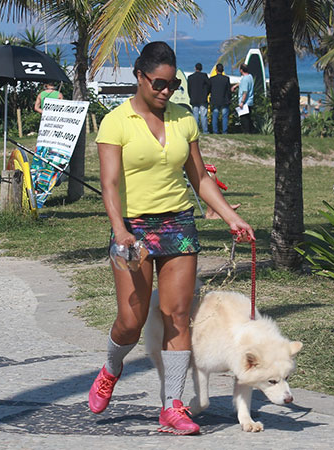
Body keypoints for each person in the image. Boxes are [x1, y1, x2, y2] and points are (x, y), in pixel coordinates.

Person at [90, 41, 255, 435]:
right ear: (140, 76)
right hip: (133, 228)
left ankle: (172, 406)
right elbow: (110, 185)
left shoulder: (184, 120)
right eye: (159, 83)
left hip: (178, 223)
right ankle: (111, 368)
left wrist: (231, 216)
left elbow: (199, 178)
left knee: (178, 316)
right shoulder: (116, 121)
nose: (166, 91)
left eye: (172, 83)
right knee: (131, 323)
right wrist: (119, 231)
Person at [187, 63, 210, 134]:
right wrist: (206, 93)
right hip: (203, 98)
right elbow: (209, 85)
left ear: (195, 68)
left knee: (195, 116)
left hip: (194, 98)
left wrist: (191, 96)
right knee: (203, 115)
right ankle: (205, 131)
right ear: (201, 68)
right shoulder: (204, 76)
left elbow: (189, 89)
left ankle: (196, 131)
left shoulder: (190, 77)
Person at [209, 63, 232, 134]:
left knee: (215, 115)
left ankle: (215, 131)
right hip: (224, 100)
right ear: (223, 70)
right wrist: (229, 98)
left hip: (215, 99)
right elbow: (228, 90)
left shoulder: (212, 79)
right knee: (224, 116)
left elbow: (209, 89)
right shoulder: (226, 79)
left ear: (216, 70)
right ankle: (224, 131)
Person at [237, 63, 254, 134]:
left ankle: (246, 132)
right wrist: (236, 85)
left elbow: (245, 92)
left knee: (244, 119)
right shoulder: (250, 77)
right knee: (248, 118)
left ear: (241, 70)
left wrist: (242, 102)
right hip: (250, 101)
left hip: (245, 102)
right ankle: (250, 131)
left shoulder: (244, 79)